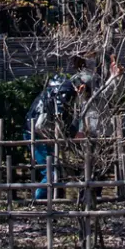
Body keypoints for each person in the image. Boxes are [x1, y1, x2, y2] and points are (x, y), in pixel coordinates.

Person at [25, 71, 89, 201]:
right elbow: (60, 116)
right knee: (51, 173)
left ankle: (41, 203)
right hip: (37, 134)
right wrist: (71, 132)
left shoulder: (56, 88)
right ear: (81, 86)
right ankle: (35, 203)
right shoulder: (65, 92)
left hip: (38, 132)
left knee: (53, 171)